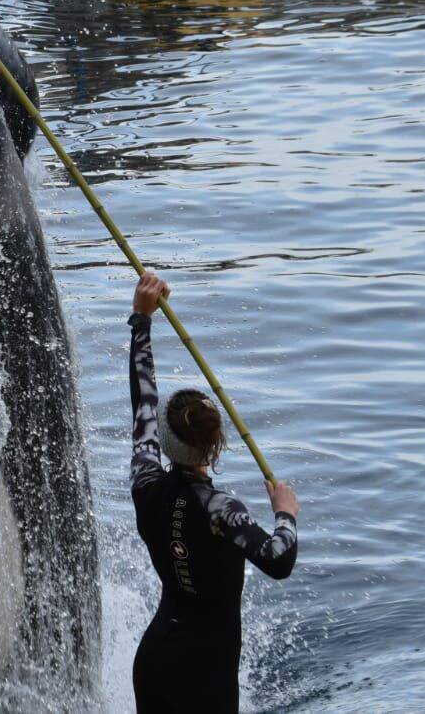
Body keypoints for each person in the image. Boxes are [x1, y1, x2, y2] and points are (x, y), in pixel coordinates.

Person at [126, 271, 299, 714]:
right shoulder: (221, 509)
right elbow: (278, 560)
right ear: (215, 443)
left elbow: (143, 403)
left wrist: (141, 321)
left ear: (165, 442)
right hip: (207, 676)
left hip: (156, 660)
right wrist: (286, 514)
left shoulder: (145, 480)